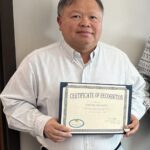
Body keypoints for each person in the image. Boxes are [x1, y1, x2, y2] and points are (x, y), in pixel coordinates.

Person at [0, 0, 146, 149]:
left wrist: (132, 114)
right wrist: (41, 124)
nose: (85, 23)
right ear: (60, 21)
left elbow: (139, 93)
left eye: (93, 17)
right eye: (76, 16)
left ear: (101, 22)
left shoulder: (118, 59)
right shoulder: (37, 61)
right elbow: (12, 102)